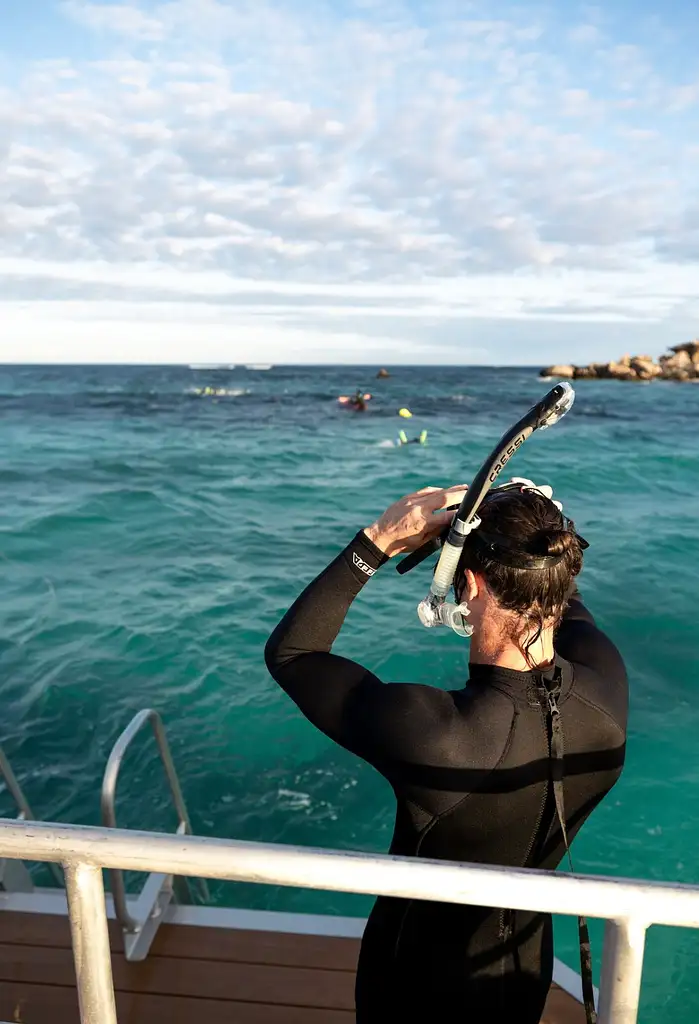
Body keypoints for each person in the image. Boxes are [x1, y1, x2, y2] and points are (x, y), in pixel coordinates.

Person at [264, 481, 628, 1023]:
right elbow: (567, 605)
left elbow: (293, 653)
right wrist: (533, 526)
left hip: (413, 988)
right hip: (522, 975)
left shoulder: (433, 732)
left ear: (473, 587)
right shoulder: (605, 696)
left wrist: (377, 541)